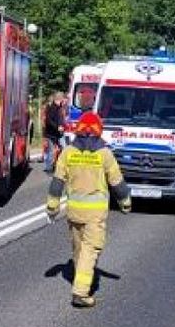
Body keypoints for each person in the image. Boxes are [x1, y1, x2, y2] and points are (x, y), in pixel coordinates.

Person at [45, 112, 132, 308]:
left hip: (74, 212)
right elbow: (116, 182)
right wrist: (125, 202)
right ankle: (81, 291)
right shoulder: (104, 153)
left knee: (78, 250)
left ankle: (81, 278)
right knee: (90, 249)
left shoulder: (68, 152)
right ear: (99, 130)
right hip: (95, 215)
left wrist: (52, 206)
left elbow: (57, 181)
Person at [42, 92, 67, 172]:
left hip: (56, 133)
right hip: (51, 133)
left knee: (61, 148)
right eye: (63, 100)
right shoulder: (52, 108)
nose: (64, 101)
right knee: (51, 151)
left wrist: (62, 126)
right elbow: (49, 121)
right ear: (59, 99)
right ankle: (49, 168)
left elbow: (59, 119)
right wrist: (58, 127)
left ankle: (56, 165)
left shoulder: (58, 108)